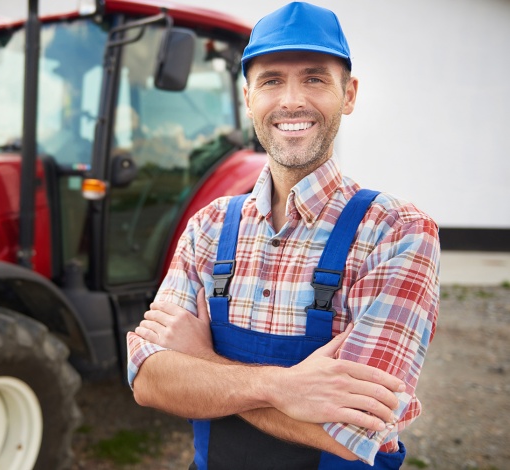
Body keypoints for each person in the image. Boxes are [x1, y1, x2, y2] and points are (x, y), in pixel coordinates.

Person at [126, 2, 440, 469]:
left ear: (348, 95)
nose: (291, 100)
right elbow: (149, 381)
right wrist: (283, 388)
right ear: (248, 96)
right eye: (272, 80)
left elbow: (357, 431)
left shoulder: (397, 233)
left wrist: (201, 364)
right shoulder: (208, 227)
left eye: (314, 78)